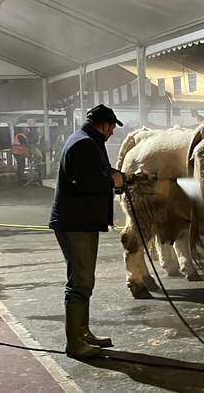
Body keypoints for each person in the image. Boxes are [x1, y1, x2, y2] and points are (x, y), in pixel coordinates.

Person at [49, 104, 124, 358]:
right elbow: (89, 182)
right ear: (103, 125)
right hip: (75, 224)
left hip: (82, 222)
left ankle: (83, 332)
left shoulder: (87, 140)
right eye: (112, 126)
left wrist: (124, 177)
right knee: (80, 282)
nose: (113, 131)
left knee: (85, 280)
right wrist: (112, 182)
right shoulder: (84, 144)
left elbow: (97, 173)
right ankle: (75, 343)